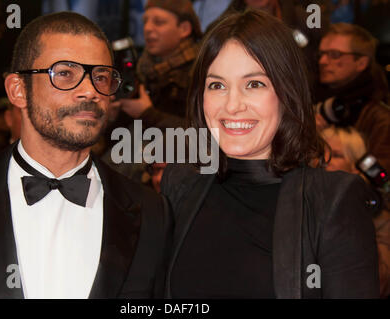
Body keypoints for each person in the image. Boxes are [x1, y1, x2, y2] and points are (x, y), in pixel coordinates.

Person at [0, 12, 170, 299]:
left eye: (100, 77)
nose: (89, 91)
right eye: (64, 74)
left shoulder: (151, 212)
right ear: (18, 90)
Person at [161, 10, 379, 298]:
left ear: (286, 93)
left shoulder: (333, 200)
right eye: (217, 85)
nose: (232, 105)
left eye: (254, 84)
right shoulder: (180, 183)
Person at [321, 126, 390, 298]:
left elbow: (377, 282)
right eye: (321, 153)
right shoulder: (301, 201)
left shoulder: (379, 217)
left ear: (355, 169)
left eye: (336, 155)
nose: (325, 160)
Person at [315, 23, 390, 172]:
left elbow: (382, 182)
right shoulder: (310, 102)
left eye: (335, 54)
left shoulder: (380, 120)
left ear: (361, 63)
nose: (322, 61)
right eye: (321, 54)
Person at [117, 0, 202, 129]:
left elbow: (205, 133)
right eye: (145, 21)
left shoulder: (202, 71)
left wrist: (148, 114)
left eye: (159, 22)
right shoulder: (142, 67)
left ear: (184, 29)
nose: (147, 28)